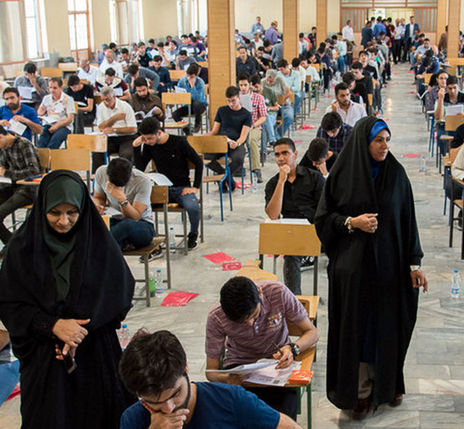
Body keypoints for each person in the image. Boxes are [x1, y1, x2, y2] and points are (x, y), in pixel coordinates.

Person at [0, 170, 135, 428]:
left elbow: (119, 294)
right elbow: (9, 303)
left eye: (72, 212)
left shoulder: (99, 243)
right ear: (42, 208)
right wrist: (52, 325)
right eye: (55, 213)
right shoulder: (22, 249)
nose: (64, 221)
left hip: (95, 354)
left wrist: (79, 330)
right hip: (44, 358)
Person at [314, 117, 428, 419]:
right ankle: (361, 391)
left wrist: (414, 263)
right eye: (378, 140)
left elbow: (408, 221)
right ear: (364, 142)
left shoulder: (396, 174)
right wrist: (352, 223)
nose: (384, 146)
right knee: (359, 329)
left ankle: (388, 383)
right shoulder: (343, 174)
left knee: (389, 325)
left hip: (390, 268)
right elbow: (323, 219)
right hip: (354, 270)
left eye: (387, 140)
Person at [119, 330, 301, 429]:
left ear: (186, 368)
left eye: (175, 394)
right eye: (153, 403)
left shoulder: (230, 400)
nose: (169, 408)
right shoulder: (133, 419)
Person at [205, 276, 319, 418]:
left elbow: (312, 332)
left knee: (282, 416)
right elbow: (210, 372)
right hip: (241, 367)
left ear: (260, 293)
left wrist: (292, 348)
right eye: (242, 321)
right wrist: (227, 378)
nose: (250, 323)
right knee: (237, 416)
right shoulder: (217, 317)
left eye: (254, 315)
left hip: (278, 364)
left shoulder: (277, 293)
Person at [265, 138, 325, 293]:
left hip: (314, 229)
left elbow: (324, 210)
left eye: (285, 153)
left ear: (295, 154)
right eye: (277, 155)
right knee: (291, 253)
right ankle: (294, 299)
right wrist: (281, 182)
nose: (281, 158)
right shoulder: (273, 183)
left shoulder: (314, 178)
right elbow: (273, 215)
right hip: (290, 232)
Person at [133, 117, 202, 249]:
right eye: (144, 139)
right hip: (162, 188)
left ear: (159, 133)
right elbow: (140, 169)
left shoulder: (179, 142)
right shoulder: (149, 146)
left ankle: (193, 234)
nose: (147, 142)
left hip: (182, 187)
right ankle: (150, 240)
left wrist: (195, 187)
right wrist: (136, 148)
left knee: (193, 207)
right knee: (139, 207)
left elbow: (198, 162)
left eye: (149, 138)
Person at [93, 157, 154, 250]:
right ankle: (115, 245)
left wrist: (121, 199)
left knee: (127, 225)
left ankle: (100, 245)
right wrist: (99, 206)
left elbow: (135, 217)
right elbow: (99, 197)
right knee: (92, 224)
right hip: (115, 220)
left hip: (141, 224)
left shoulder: (142, 181)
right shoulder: (101, 172)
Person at [0, 127, 40, 251]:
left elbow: (34, 172)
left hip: (28, 188)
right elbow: (3, 168)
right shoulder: (4, 148)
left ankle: (13, 248)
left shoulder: (24, 144)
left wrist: (7, 173)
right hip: (11, 186)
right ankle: (14, 246)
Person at [205, 85, 251, 187]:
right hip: (221, 141)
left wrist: (237, 143)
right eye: (228, 101)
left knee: (238, 159)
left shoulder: (246, 114)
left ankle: (223, 179)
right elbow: (214, 131)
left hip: (236, 143)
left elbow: (243, 136)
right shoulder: (222, 110)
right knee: (205, 157)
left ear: (239, 98)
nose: (231, 104)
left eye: (233, 101)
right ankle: (226, 177)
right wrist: (202, 138)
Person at [94, 86, 138, 170]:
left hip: (126, 138)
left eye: (107, 100)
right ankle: (99, 175)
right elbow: (100, 127)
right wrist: (114, 118)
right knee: (97, 151)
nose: (105, 103)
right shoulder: (101, 107)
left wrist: (114, 130)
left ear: (114, 97)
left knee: (126, 154)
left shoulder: (125, 106)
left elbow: (133, 129)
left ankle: (123, 175)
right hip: (110, 138)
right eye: (103, 100)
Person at [237, 73, 267, 183]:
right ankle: (236, 167)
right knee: (234, 140)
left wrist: (253, 125)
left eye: (245, 85)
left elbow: (263, 117)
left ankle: (256, 169)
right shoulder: (236, 98)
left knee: (251, 140)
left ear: (250, 84)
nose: (243, 88)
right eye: (241, 85)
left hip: (254, 127)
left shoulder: (258, 98)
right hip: (239, 127)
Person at [36, 78, 75, 149]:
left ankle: (52, 155)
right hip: (49, 124)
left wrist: (57, 126)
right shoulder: (46, 98)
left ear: (61, 88)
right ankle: (42, 155)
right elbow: (39, 112)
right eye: (50, 88)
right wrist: (41, 112)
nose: (52, 90)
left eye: (55, 88)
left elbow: (69, 119)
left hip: (63, 126)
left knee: (54, 142)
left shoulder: (68, 99)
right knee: (41, 142)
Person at [175, 64, 208, 134]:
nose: (189, 78)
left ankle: (197, 124)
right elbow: (177, 92)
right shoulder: (182, 80)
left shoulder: (200, 82)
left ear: (196, 75)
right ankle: (188, 131)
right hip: (187, 105)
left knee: (196, 103)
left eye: (191, 76)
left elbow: (198, 99)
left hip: (199, 106)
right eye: (188, 75)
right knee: (175, 114)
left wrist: (192, 86)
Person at [263, 69, 294, 139]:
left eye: (271, 81)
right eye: (267, 80)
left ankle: (277, 134)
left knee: (289, 116)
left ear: (275, 79)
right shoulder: (263, 82)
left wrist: (283, 99)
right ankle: (273, 136)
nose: (269, 83)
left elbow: (289, 92)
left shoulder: (280, 80)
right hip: (270, 107)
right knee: (268, 118)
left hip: (283, 105)